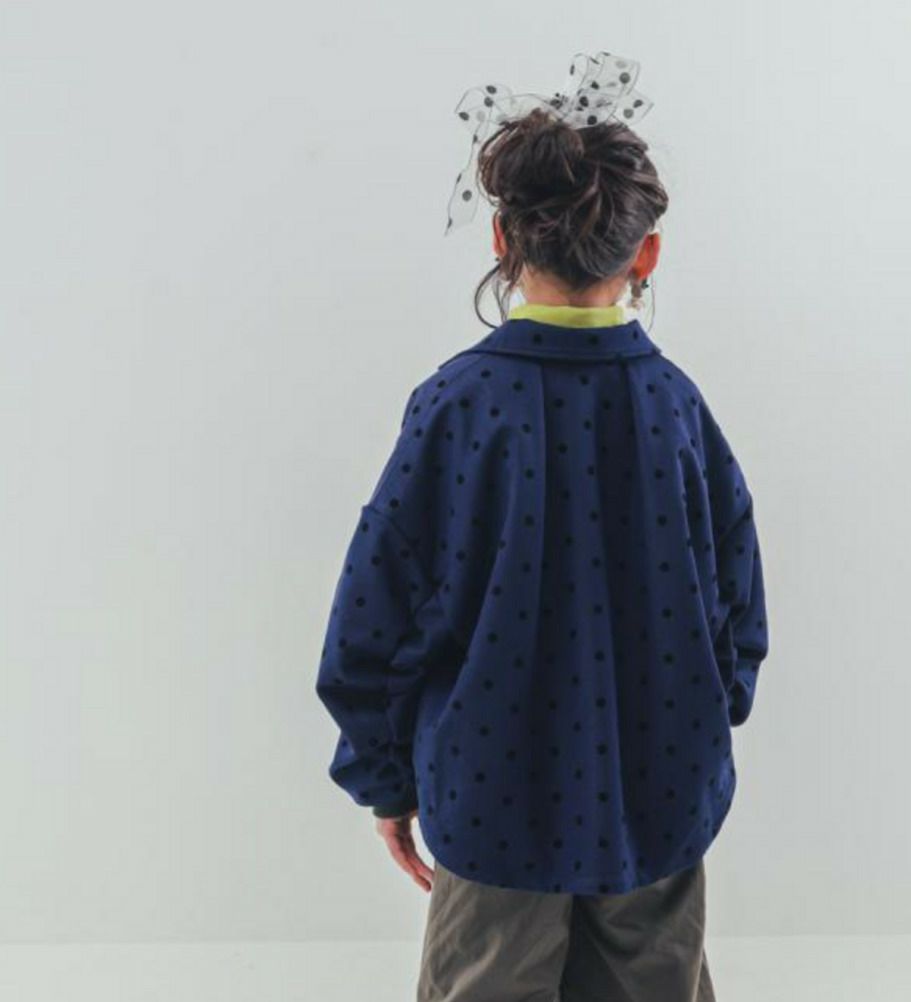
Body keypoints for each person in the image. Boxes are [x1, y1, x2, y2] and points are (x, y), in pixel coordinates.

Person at [315, 54, 769, 1002]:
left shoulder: (456, 407)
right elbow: (736, 609)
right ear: (646, 254)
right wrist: (690, 721)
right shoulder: (678, 410)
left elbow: (375, 614)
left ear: (502, 237)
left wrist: (386, 779)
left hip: (492, 802)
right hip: (658, 796)